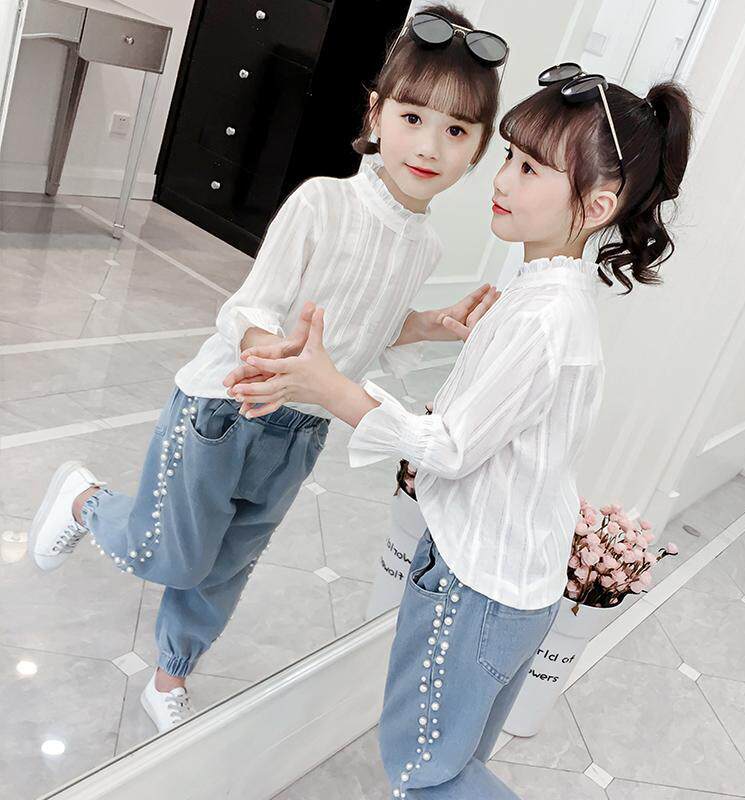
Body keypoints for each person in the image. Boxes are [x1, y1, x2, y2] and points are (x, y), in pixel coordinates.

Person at [27, 4, 507, 734]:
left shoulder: (425, 247)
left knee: (227, 568)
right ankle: (83, 500)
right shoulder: (323, 204)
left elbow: (366, 334)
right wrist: (266, 350)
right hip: (224, 409)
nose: (429, 145)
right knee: (170, 554)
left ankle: (170, 673)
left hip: (301, 433)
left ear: (476, 150)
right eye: (413, 117)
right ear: (377, 114)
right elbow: (250, 306)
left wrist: (429, 324)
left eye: (457, 131)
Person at [229, 64, 693, 798]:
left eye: (531, 168)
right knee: (453, 760)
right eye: (509, 156)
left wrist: (331, 388)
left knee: (425, 774)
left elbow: (449, 448)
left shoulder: (542, 318)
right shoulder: (545, 301)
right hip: (512, 584)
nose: (502, 179)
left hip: (477, 586)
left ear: (598, 205)